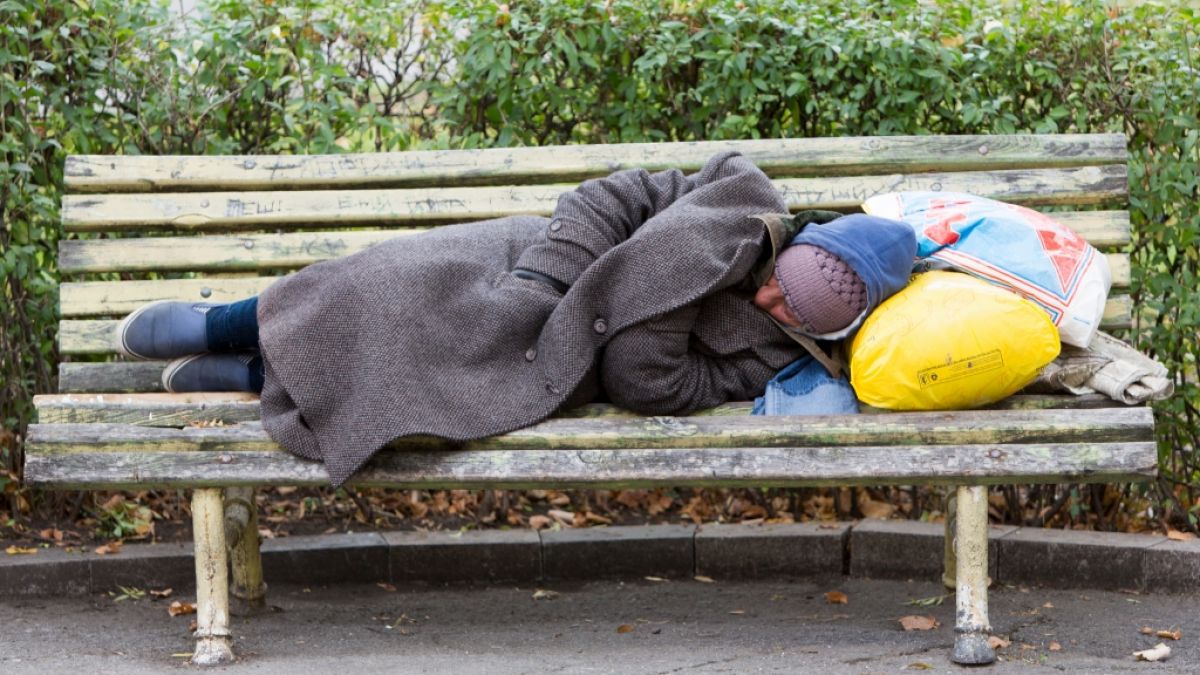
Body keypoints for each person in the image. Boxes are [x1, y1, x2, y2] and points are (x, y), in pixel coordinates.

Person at [116, 152, 917, 485]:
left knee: (424, 384)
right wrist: (549, 274)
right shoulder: (738, 198)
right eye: (783, 284)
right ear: (801, 243)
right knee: (387, 284)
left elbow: (654, 384)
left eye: (794, 314)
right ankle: (229, 322)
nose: (772, 303)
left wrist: (652, 307)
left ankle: (263, 376)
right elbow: (613, 197)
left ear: (819, 331)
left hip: (562, 366)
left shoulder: (772, 355)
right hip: (536, 261)